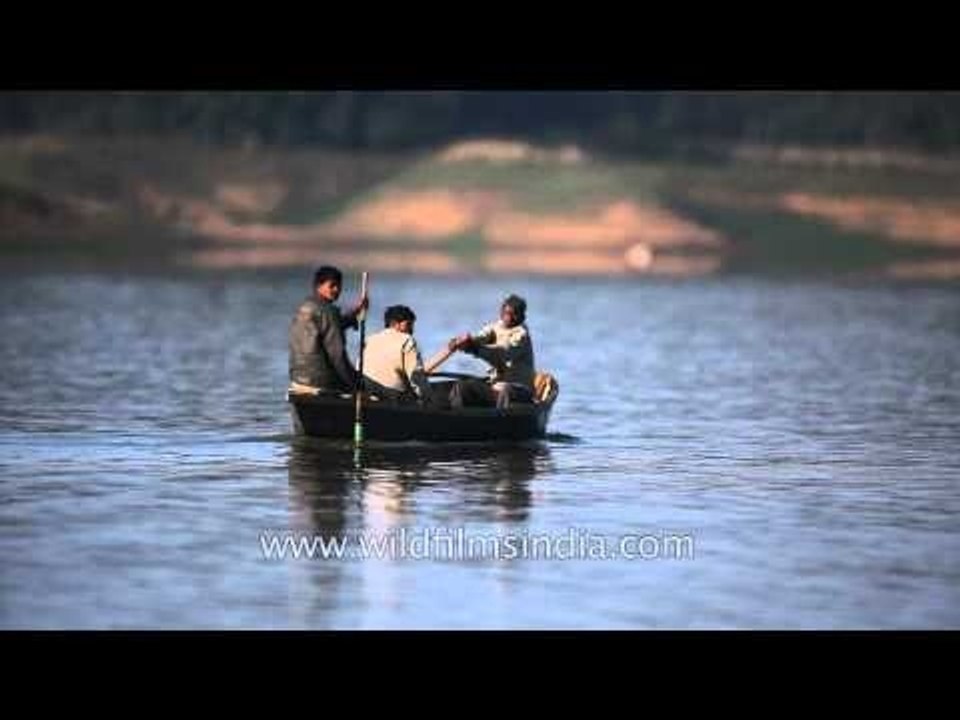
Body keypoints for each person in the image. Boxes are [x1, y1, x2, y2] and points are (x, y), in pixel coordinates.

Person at [288, 265, 368, 393]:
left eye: (339, 286)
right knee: (366, 384)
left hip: (298, 378)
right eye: (332, 286)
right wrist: (356, 382)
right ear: (319, 286)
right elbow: (338, 356)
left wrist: (354, 314)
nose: (336, 290)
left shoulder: (304, 307)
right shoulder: (328, 312)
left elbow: (329, 327)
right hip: (321, 380)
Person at [448, 293, 536, 408]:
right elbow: (481, 337)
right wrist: (462, 342)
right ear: (501, 313)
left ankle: (501, 421)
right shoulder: (495, 327)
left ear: (522, 317)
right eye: (505, 313)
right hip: (496, 388)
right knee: (462, 387)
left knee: (506, 391)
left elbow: (503, 352)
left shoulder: (521, 335)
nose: (508, 318)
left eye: (513, 315)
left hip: (520, 390)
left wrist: (475, 349)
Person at [361, 304, 431, 404]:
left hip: (366, 396)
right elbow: (416, 377)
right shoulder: (407, 340)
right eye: (408, 325)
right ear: (394, 324)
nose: (412, 331)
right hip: (393, 400)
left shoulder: (369, 339)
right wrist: (427, 400)